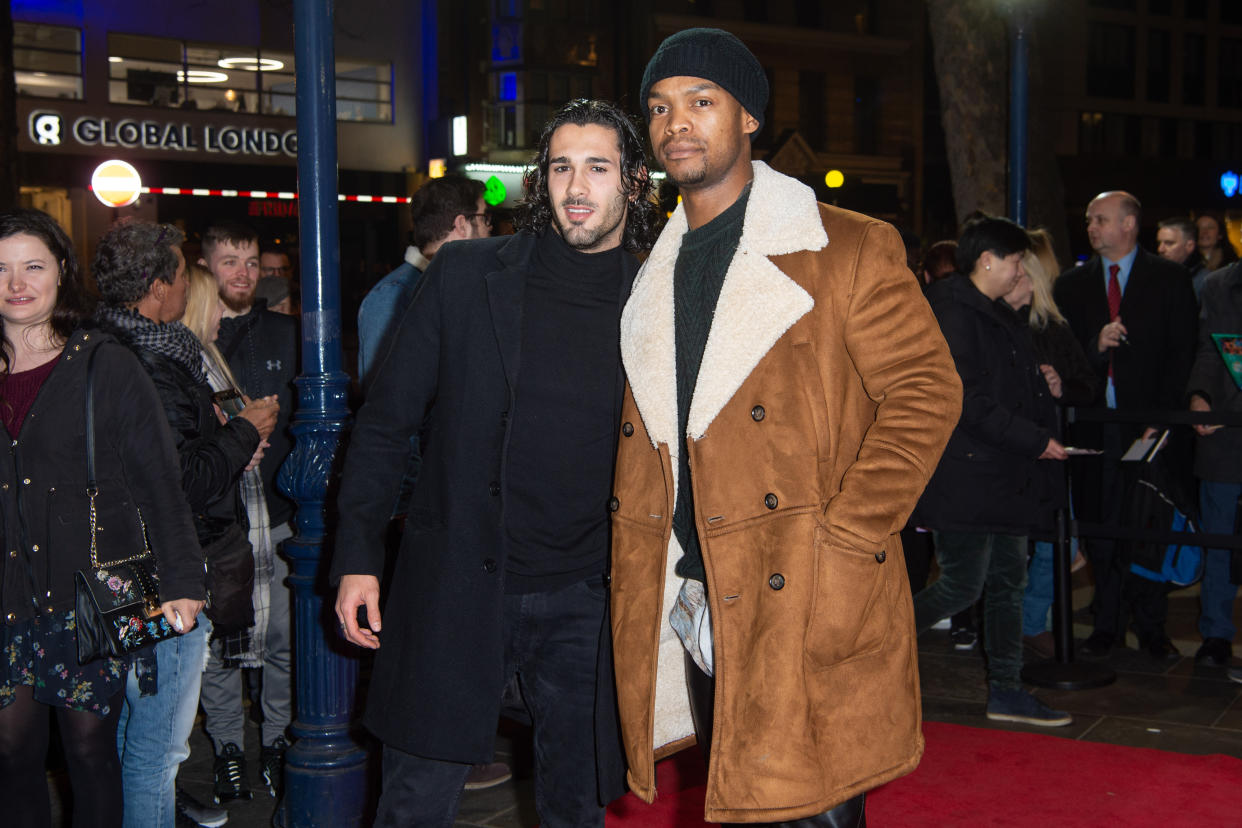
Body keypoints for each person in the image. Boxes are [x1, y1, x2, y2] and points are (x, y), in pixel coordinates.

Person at [611, 28, 961, 825]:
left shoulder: (845, 246)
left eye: (702, 102)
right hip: (699, 594)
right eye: (661, 108)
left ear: (748, 119)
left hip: (802, 584)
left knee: (813, 813)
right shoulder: (649, 273)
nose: (677, 124)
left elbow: (926, 392)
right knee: (735, 803)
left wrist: (846, 537)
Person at [332, 98, 658, 827]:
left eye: (598, 168)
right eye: (560, 167)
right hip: (457, 580)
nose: (577, 187)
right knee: (413, 804)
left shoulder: (658, 295)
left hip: (590, 597)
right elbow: (385, 424)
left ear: (634, 182)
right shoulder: (468, 273)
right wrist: (357, 555)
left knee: (576, 807)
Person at [0, 208, 205, 827]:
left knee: (91, 754)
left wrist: (182, 583)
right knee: (12, 756)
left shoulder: (104, 365)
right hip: (6, 599)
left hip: (89, 596)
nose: (16, 283)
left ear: (61, 271)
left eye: (32, 266)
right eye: (2, 270)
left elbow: (159, 482)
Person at [92, 220, 277, 828]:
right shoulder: (151, 359)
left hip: (121, 564)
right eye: (180, 270)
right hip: (162, 568)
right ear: (157, 285)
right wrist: (246, 428)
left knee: (133, 733)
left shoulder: (100, 343)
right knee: (159, 747)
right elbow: (184, 478)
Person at [912, 217, 1072, 726]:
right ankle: (860, 646)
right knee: (963, 584)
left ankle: (1006, 688)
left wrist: (1043, 380)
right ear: (988, 260)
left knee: (1008, 583)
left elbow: (1005, 384)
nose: (1021, 270)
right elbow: (966, 399)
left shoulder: (994, 311)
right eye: (1016, 260)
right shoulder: (953, 310)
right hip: (967, 475)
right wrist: (1035, 440)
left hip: (1004, 474)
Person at [1054, 191, 1198, 660]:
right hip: (1095, 426)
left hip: (1151, 430)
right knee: (1100, 529)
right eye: (1090, 219)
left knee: (1149, 526)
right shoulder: (1072, 285)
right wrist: (1095, 346)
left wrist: (1163, 419)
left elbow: (1183, 354)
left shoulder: (1170, 279)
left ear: (1130, 224)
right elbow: (1063, 356)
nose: (1092, 227)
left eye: (1101, 219)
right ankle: (1107, 624)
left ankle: (1152, 628)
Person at [198, 220, 298, 802]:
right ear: (206, 267)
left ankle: (279, 741)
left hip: (280, 506)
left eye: (251, 261)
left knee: (283, 640)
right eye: (230, 260)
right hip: (217, 518)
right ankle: (229, 749)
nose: (242, 272)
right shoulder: (193, 340)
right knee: (220, 643)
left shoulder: (286, 332)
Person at [1007, 229, 1098, 659]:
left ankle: (1030, 622)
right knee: (1008, 548)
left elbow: (1087, 386)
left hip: (1050, 450)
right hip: (1005, 449)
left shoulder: (1053, 328)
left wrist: (1062, 387)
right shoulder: (991, 323)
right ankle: (1010, 626)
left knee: (1054, 544)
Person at [357, 174, 489, 383]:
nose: (489, 228)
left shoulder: (459, 286)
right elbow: (384, 392)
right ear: (462, 224)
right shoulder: (394, 296)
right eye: (484, 218)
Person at [1185, 260, 1242, 671]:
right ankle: (1217, 635)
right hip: (1224, 440)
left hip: (1231, 418)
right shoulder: (1220, 283)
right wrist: (1200, 397)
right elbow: (1209, 347)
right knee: (1219, 538)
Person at [1157, 216, 1207, 300]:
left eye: (1169, 243)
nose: (1160, 249)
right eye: (1159, 243)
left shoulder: (1204, 282)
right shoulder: (1156, 277)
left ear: (1189, 246)